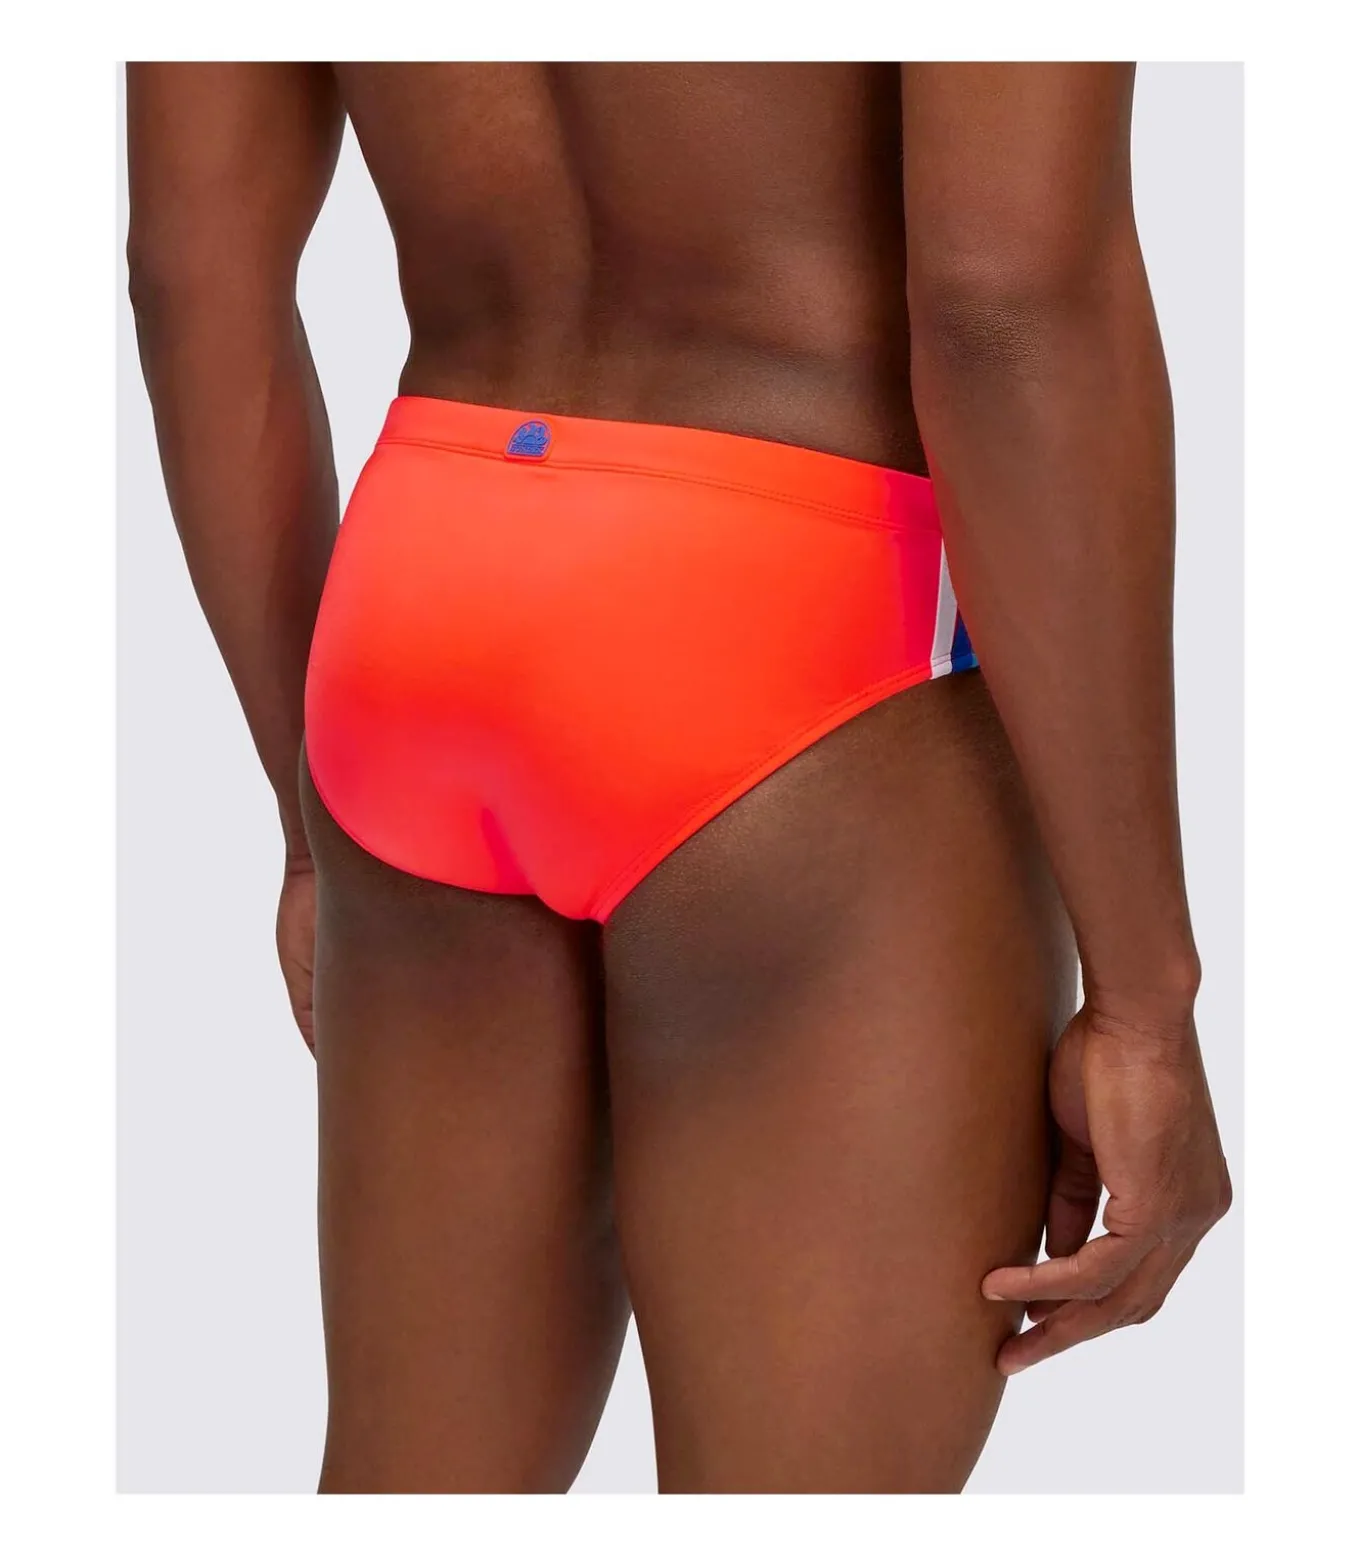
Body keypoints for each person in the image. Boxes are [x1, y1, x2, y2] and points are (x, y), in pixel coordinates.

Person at [125, 61, 1231, 1494]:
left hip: (423, 590)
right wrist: (1144, 1002)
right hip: (801, 605)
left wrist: (306, 820)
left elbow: (192, 275)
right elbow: (1006, 300)